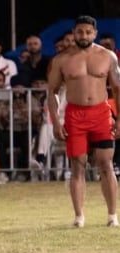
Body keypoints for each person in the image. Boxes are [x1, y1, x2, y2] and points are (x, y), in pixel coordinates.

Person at [47, 15, 120, 228]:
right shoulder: (61, 59)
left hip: (100, 114)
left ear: (95, 33)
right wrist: (55, 122)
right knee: (77, 166)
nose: (84, 36)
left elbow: (117, 89)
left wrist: (119, 119)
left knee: (106, 164)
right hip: (75, 115)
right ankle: (79, 217)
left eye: (88, 32)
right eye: (80, 32)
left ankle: (112, 215)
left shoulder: (108, 57)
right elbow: (52, 92)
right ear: (74, 32)